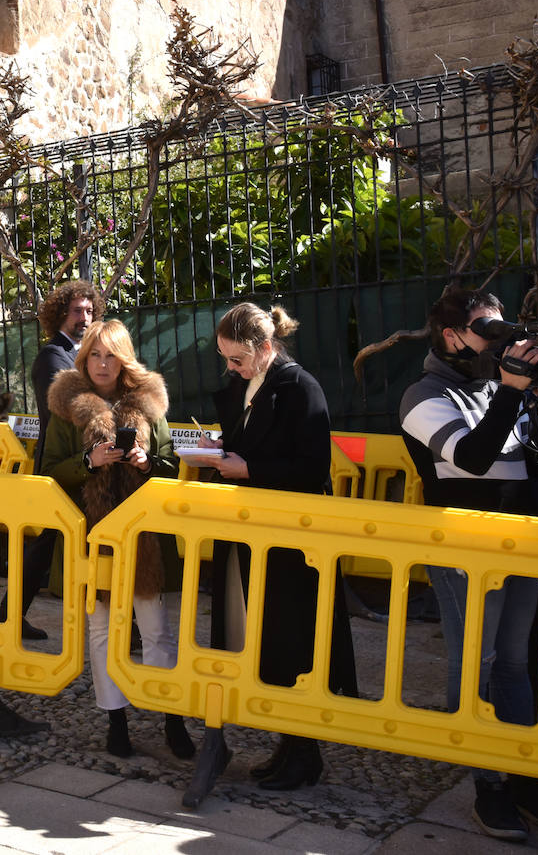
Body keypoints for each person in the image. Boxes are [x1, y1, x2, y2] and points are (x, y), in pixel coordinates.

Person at [183, 302, 357, 809]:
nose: (229, 369)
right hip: (255, 533)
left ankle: (305, 753)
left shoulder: (300, 387)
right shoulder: (248, 384)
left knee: (295, 643)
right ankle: (289, 745)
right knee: (268, 643)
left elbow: (311, 468)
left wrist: (248, 467)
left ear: (264, 348)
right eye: (225, 359)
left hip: (294, 540)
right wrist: (218, 451)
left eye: (236, 359)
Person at [399, 288, 538, 841]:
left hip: (520, 544)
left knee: (513, 661)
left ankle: (527, 777)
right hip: (464, 552)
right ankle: (489, 788)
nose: (499, 340)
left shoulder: (497, 388)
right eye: (487, 330)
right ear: (452, 336)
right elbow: (473, 458)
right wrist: (511, 391)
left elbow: (527, 461)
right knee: (477, 664)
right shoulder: (421, 395)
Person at [39, 319, 195, 761]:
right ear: (84, 357)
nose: (102, 364)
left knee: (157, 630)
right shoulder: (66, 404)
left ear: (125, 358)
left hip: (143, 537)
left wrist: (146, 462)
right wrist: (88, 461)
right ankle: (116, 721)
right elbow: (48, 469)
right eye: (94, 355)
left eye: (111, 355)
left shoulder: (147, 402)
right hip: (91, 536)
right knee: (103, 629)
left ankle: (172, 719)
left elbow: (169, 468)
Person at [0, 280, 105, 640]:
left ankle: (8, 613)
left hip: (89, 459)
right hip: (64, 462)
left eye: (89, 311)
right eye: (77, 311)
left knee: (52, 542)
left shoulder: (86, 353)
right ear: (59, 314)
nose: (84, 318)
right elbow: (61, 411)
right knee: (55, 541)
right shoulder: (52, 357)